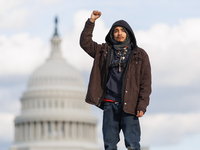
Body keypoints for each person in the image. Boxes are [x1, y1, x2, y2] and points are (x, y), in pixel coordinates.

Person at [80, 10, 151, 150]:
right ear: (112, 34)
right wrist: (91, 21)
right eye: (116, 31)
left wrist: (142, 105)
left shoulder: (140, 54)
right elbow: (85, 43)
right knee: (109, 145)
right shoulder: (103, 51)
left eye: (122, 31)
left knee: (132, 144)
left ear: (128, 33)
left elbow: (146, 83)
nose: (119, 33)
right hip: (109, 105)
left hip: (130, 105)